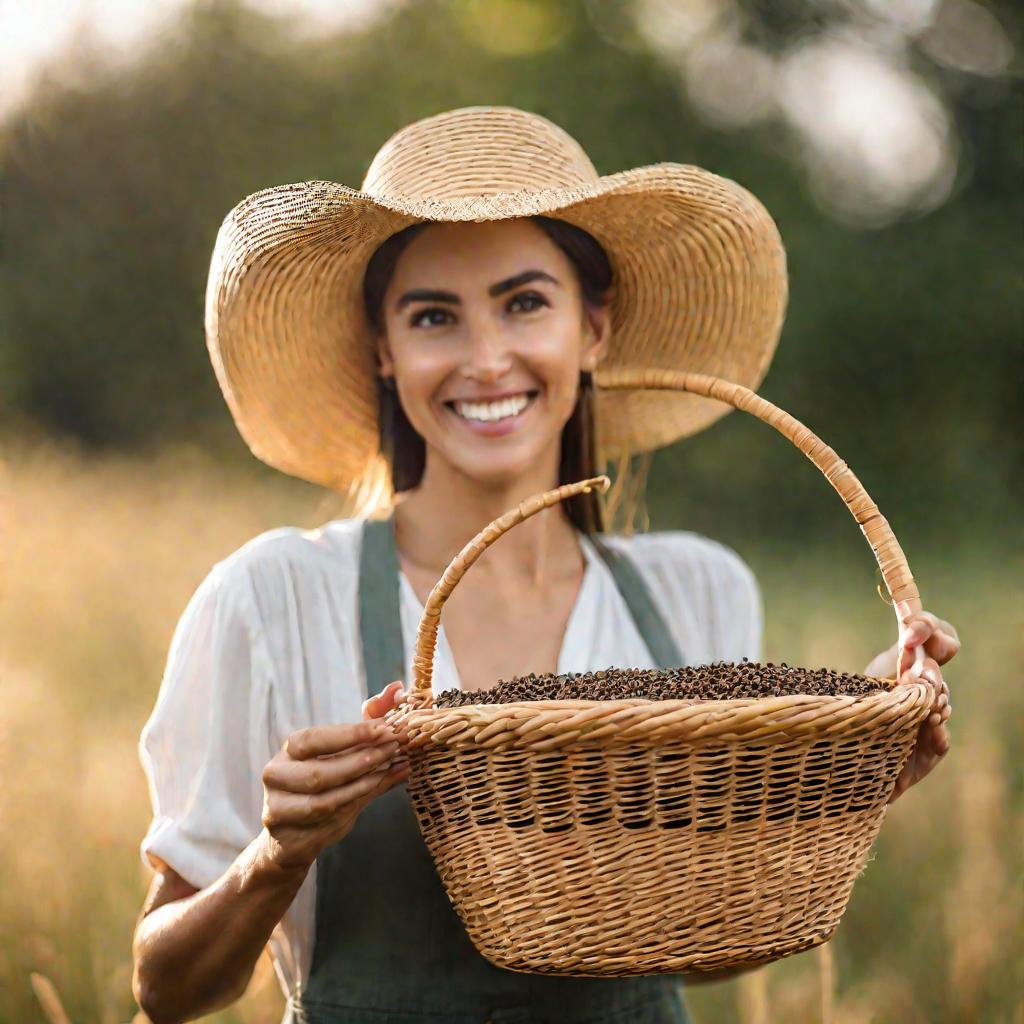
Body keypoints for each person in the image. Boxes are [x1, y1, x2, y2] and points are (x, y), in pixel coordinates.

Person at [131, 106, 959, 1024]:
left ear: (592, 329)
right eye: (434, 316)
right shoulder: (276, 597)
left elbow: (694, 953)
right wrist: (275, 857)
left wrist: (845, 769)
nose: (487, 361)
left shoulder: (696, 592)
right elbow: (166, 990)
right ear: (383, 350)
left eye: (526, 303)